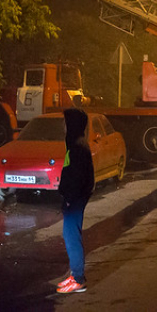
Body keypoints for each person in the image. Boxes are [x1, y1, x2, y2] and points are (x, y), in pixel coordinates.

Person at [57, 108, 95, 294]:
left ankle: (78, 280)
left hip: (74, 200)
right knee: (70, 236)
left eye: (65, 122)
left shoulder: (78, 149)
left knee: (72, 238)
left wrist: (70, 198)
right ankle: (75, 276)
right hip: (74, 198)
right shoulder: (76, 145)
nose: (63, 126)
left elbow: (79, 178)